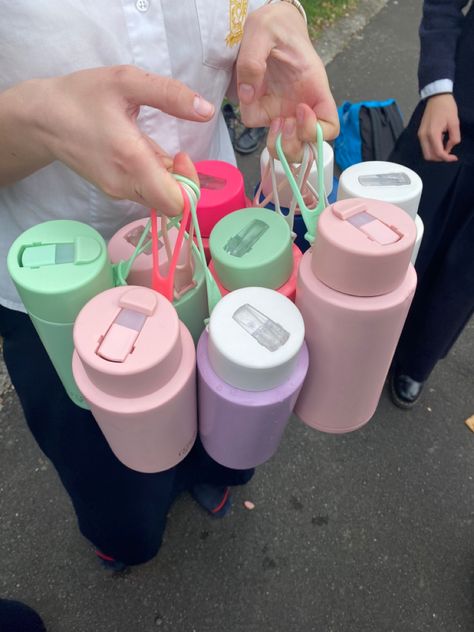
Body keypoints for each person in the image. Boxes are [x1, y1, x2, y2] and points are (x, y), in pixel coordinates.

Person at [0, 0, 338, 569]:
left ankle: (210, 471)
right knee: (122, 500)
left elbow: (251, 19)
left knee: (229, 420)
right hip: (62, 284)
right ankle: (126, 536)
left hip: (211, 243)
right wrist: (35, 120)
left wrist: (282, 18)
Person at [389, 0, 474, 408]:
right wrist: (439, 88)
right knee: (399, 238)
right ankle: (362, 340)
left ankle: (416, 361)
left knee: (462, 277)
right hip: (454, 112)